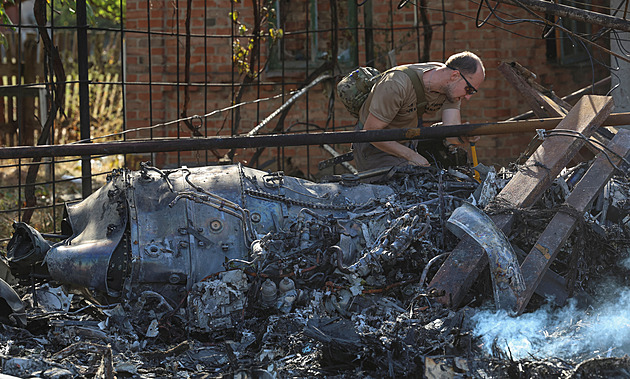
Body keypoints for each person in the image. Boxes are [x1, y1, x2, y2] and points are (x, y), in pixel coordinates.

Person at [353, 51, 485, 173]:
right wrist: (411, 156)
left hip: (405, 141)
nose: (468, 97)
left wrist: (464, 135)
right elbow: (370, 132)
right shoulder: (396, 84)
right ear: (455, 75)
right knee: (396, 191)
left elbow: (451, 132)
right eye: (469, 90)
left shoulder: (451, 89)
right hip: (374, 147)